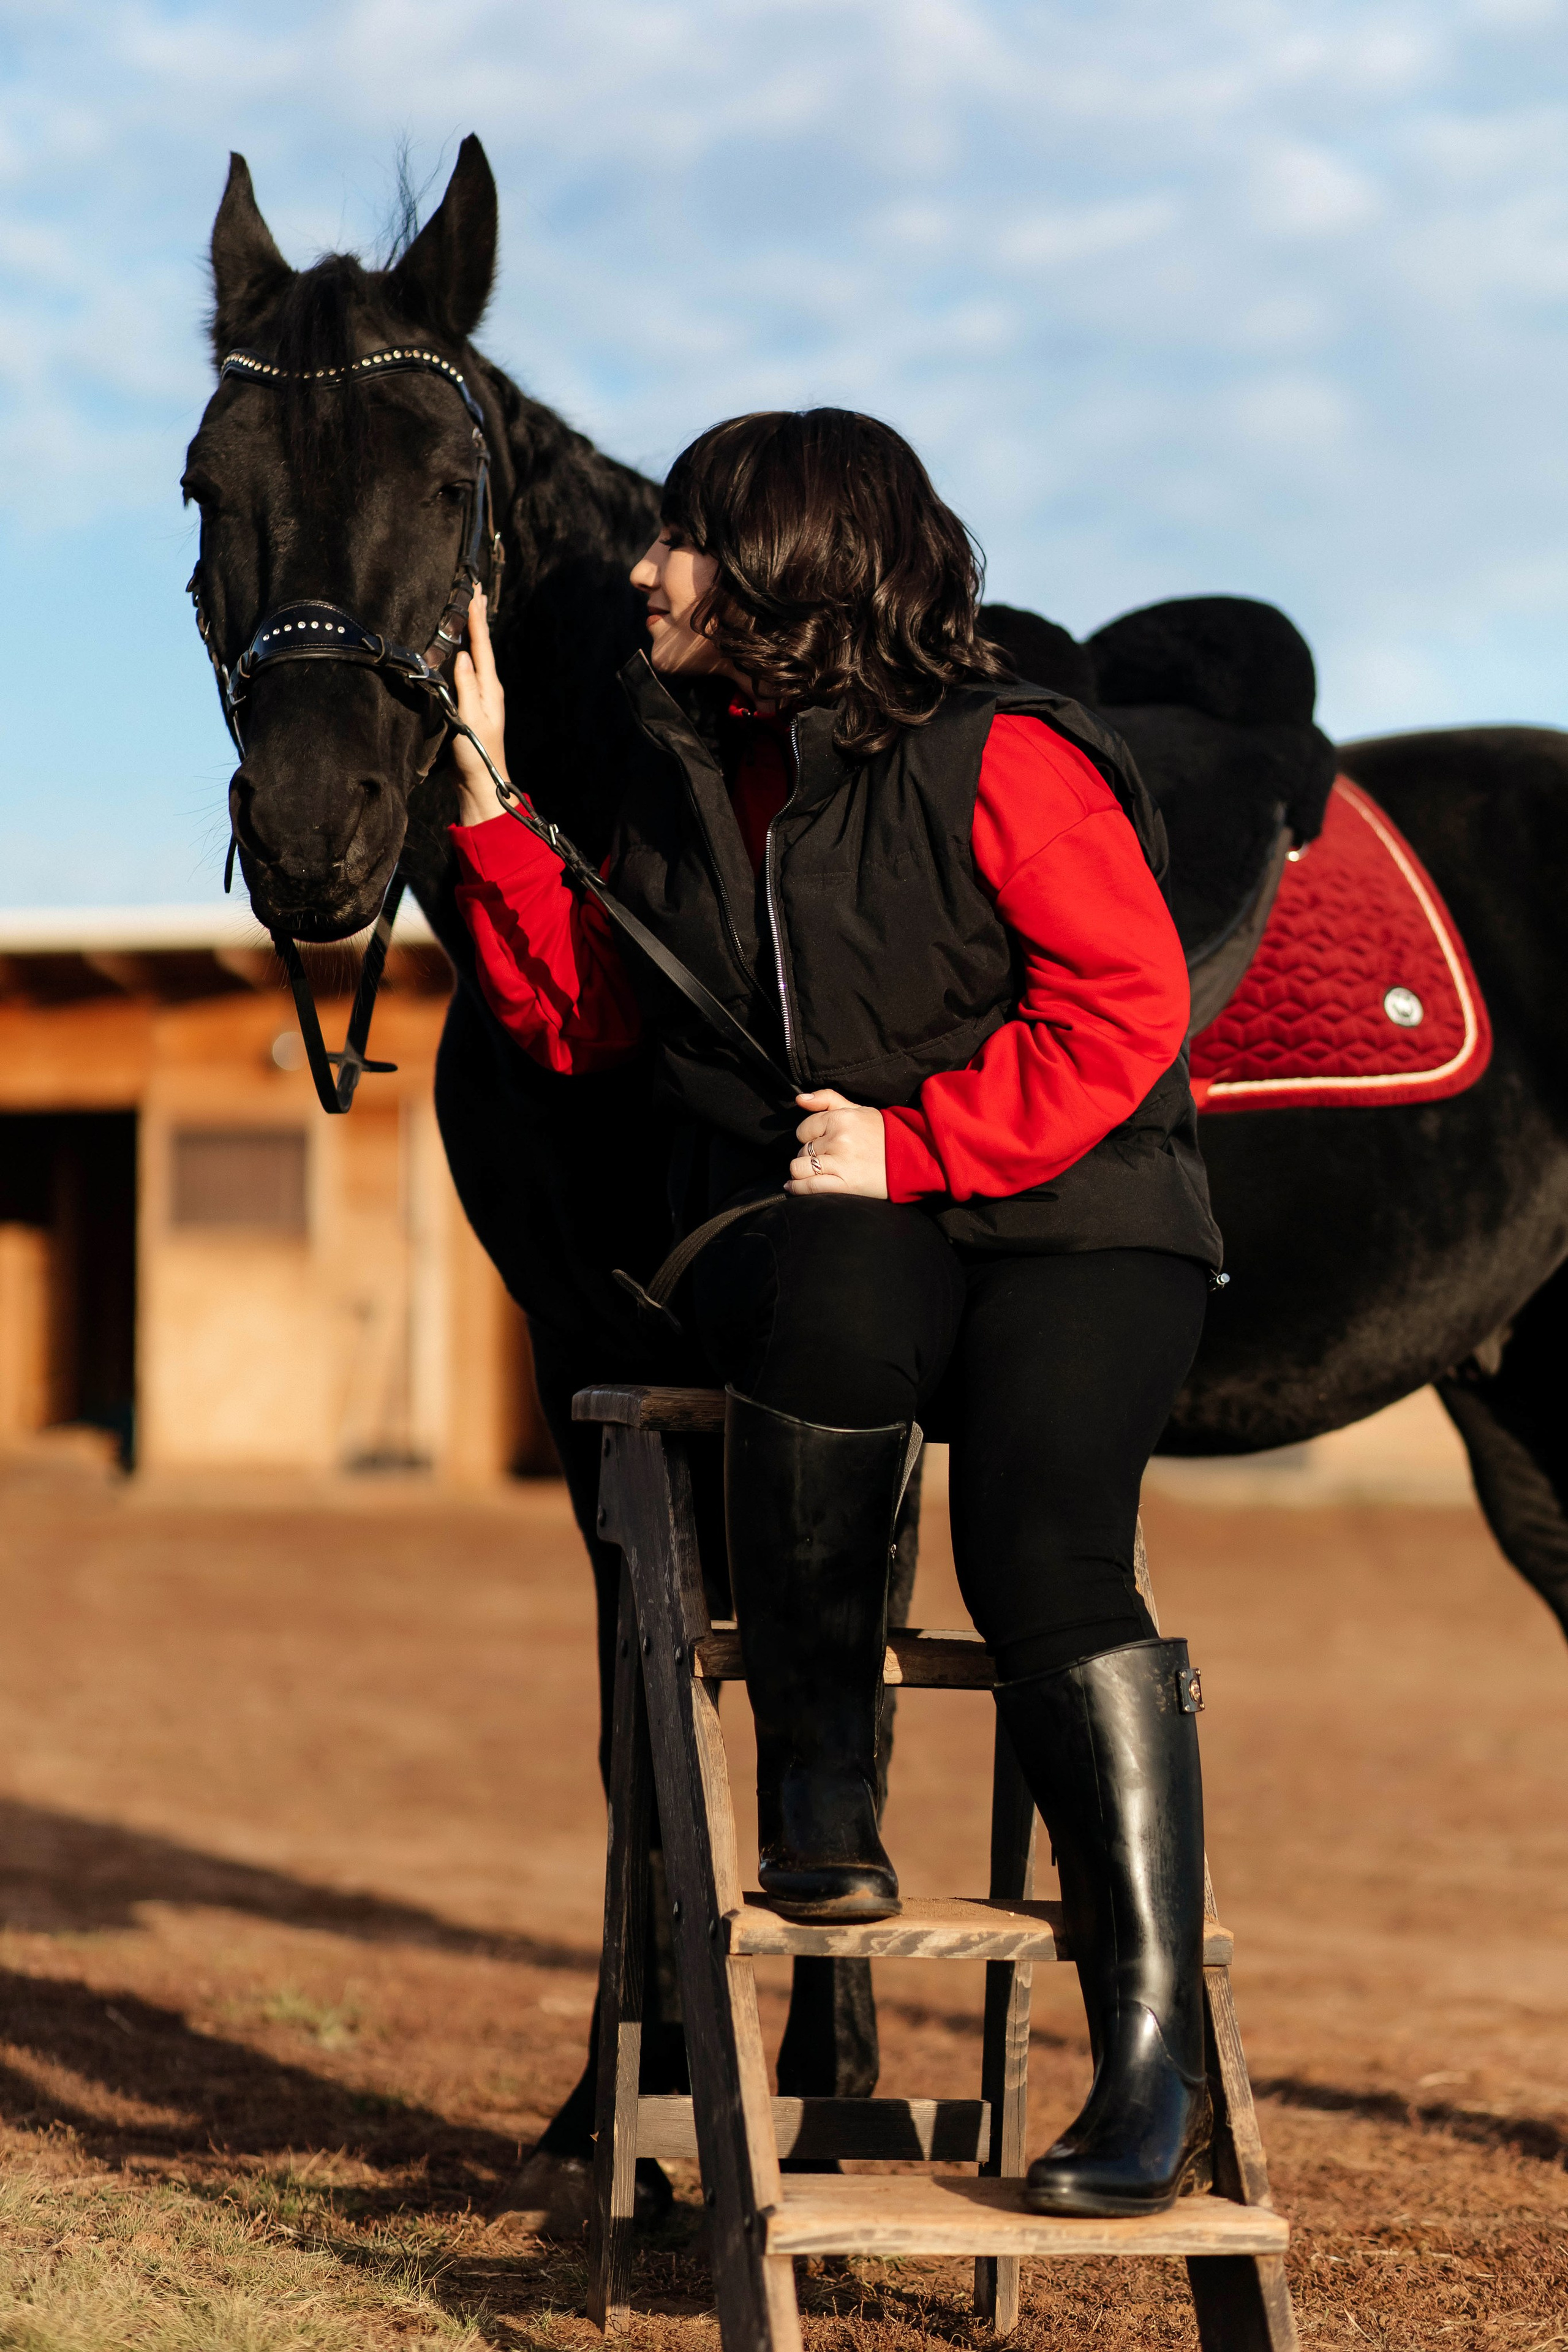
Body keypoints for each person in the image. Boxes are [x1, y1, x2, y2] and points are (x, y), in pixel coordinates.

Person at [445, 409, 1223, 2221]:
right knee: (829, 1286)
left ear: (786, 572)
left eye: (685, 543)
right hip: (849, 1213)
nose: (645, 570)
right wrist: (487, 811)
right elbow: (589, 1022)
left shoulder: (1006, 757)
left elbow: (1125, 1016)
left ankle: (1146, 2068)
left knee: (1046, 1559)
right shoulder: (682, 776)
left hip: (1080, 1208)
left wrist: (922, 1138)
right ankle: (819, 1801)